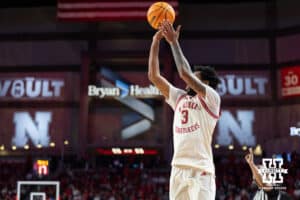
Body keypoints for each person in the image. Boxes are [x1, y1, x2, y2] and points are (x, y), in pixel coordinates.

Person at [148, 20, 221, 200]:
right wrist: (155, 42)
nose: (187, 82)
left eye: (194, 80)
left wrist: (173, 42)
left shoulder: (211, 98)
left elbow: (184, 73)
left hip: (201, 169)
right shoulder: (179, 97)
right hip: (178, 168)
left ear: (206, 83)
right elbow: (154, 76)